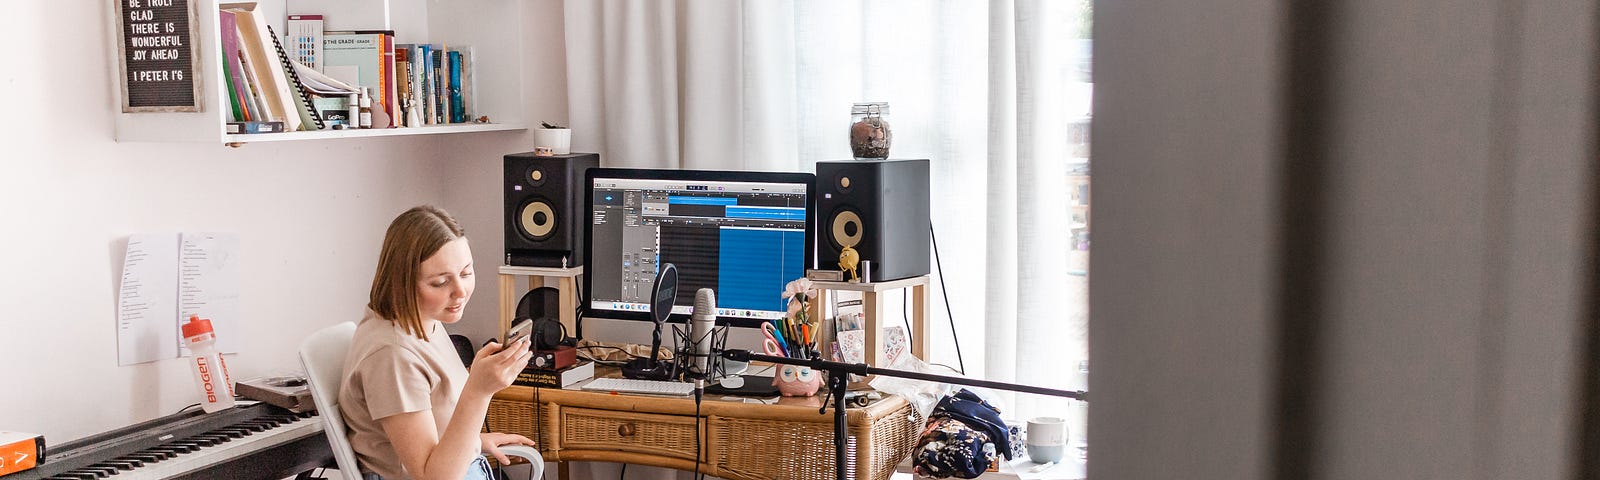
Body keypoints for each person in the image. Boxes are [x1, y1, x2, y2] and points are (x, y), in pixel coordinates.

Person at [339, 205, 536, 480]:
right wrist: (479, 391)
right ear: (403, 282)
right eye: (441, 282)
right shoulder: (393, 355)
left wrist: (475, 441)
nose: (460, 291)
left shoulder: (424, 318)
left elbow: (428, 423)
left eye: (466, 273)